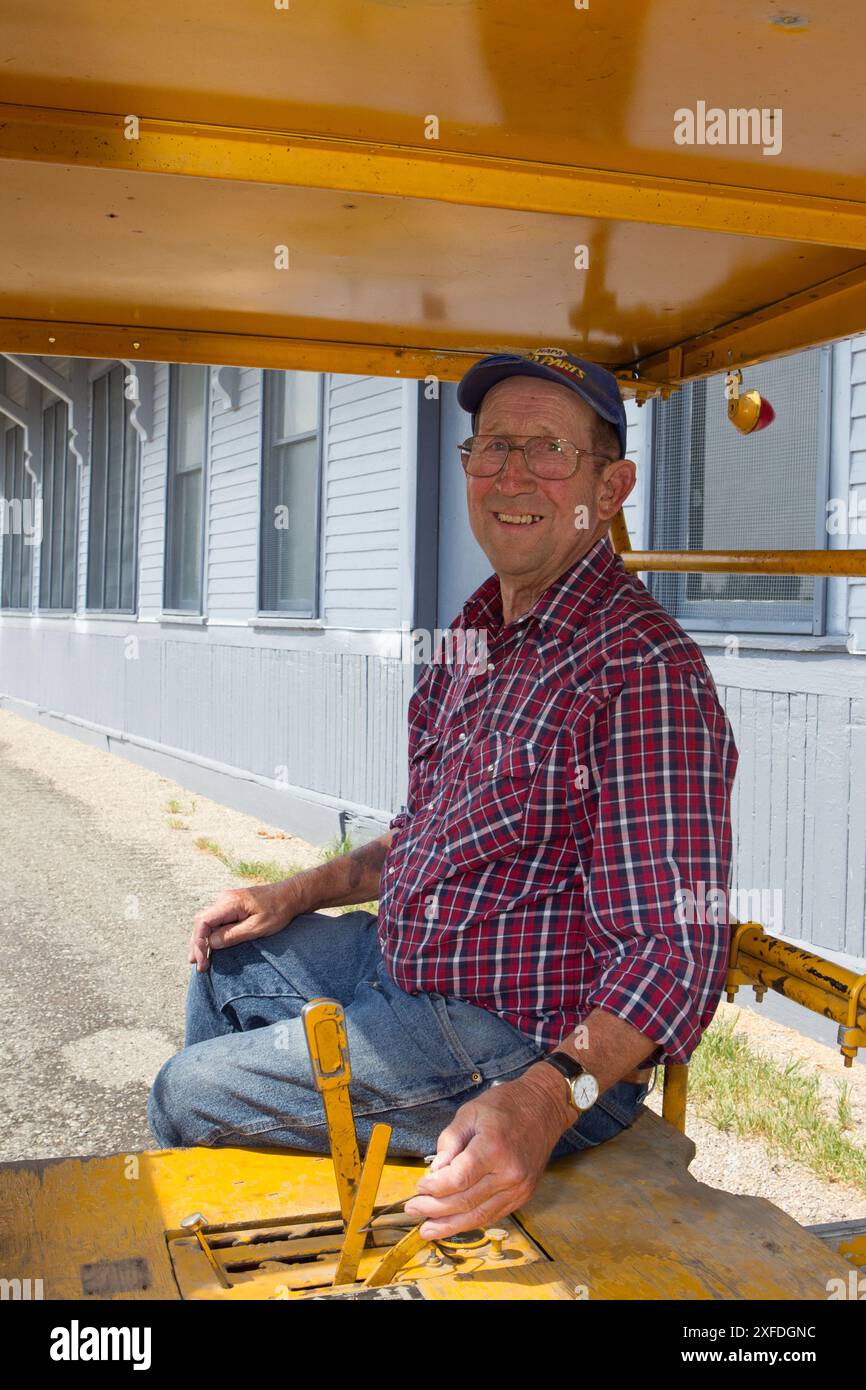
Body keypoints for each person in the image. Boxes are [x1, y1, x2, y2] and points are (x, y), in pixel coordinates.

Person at [148, 348, 738, 1242]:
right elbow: (423, 834)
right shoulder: (475, 631)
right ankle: (288, 1225)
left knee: (185, 1093)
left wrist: (545, 1099)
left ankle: (287, 1236)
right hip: (404, 972)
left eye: (548, 450)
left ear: (610, 488)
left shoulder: (644, 671)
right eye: (492, 447)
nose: (511, 474)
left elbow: (678, 952)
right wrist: (289, 893)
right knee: (229, 957)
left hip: (525, 1040)